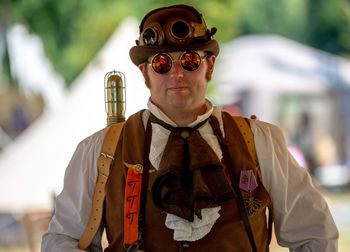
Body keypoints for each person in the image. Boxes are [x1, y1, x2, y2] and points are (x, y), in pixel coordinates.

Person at [41, 4, 338, 252]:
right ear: (145, 73)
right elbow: (63, 240)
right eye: (161, 64)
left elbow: (315, 234)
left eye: (190, 60)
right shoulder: (102, 150)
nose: (177, 73)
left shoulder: (257, 141)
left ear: (210, 67)